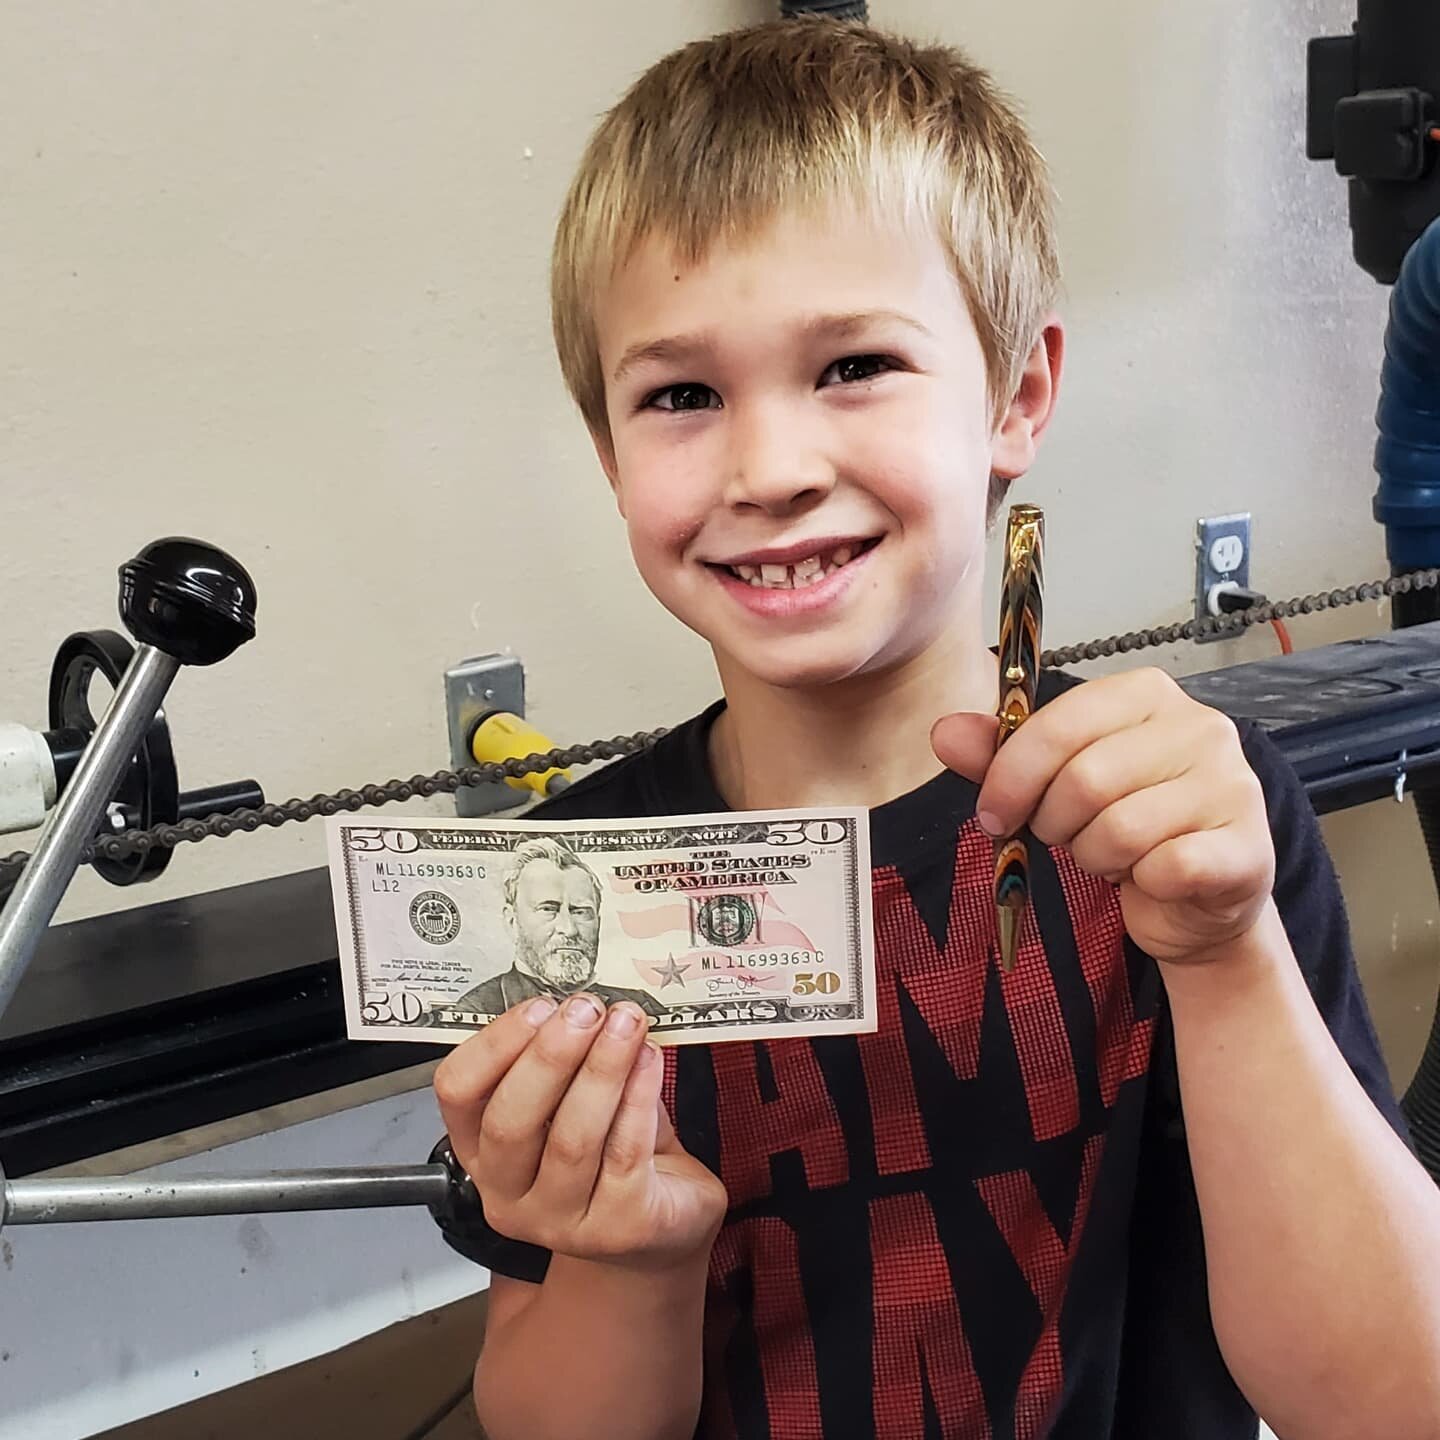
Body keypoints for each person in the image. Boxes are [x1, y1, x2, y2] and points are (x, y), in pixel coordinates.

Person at [431, 17, 1440, 1440]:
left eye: (853, 365)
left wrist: (1223, 956)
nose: (771, 468)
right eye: (680, 395)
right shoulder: (569, 893)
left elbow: (1395, 1399)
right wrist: (625, 1253)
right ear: (609, 452)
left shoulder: (1193, 836)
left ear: (1016, 393)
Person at [450, 836, 667, 1018]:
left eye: (580, 911)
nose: (569, 929)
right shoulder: (475, 1008)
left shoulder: (643, 1005)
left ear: (598, 923)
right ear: (512, 921)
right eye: (548, 909)